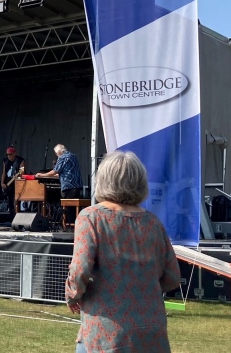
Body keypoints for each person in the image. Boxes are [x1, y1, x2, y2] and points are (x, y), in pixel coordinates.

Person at [66, 151, 181, 353]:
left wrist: (72, 295)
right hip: (151, 332)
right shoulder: (153, 223)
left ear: (103, 179)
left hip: (106, 333)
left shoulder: (91, 217)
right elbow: (172, 277)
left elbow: (80, 270)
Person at [0, 146, 25, 214]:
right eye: (7, 154)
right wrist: (2, 183)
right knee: (10, 200)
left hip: (17, 183)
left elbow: (22, 171)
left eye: (10, 154)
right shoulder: (5, 161)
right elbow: (4, 172)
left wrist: (18, 176)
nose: (8, 156)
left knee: (17, 199)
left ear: (14, 153)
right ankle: (11, 215)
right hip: (8, 183)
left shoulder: (20, 160)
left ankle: (17, 214)